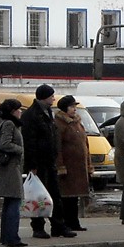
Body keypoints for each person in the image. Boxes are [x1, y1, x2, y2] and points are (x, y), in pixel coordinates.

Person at [21, 84, 75, 239]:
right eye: (51, 95)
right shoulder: (31, 115)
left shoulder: (48, 112)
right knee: (39, 196)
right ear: (44, 97)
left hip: (49, 161)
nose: (53, 98)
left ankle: (58, 225)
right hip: (38, 164)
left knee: (54, 195)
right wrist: (32, 165)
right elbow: (30, 142)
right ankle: (38, 227)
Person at [55, 94, 92, 232]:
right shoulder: (60, 124)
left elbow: (85, 144)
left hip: (79, 167)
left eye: (74, 106)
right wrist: (61, 166)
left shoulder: (77, 123)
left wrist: (88, 164)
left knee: (75, 197)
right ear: (65, 108)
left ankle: (74, 222)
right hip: (69, 167)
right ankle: (67, 222)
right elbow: (57, 147)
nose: (74, 109)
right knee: (67, 197)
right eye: (71, 106)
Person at [0, 98, 27, 247]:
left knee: (10, 202)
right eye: (18, 109)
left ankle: (6, 236)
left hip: (11, 167)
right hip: (10, 168)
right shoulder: (9, 124)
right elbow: (5, 144)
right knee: (14, 201)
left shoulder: (11, 124)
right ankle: (12, 237)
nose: (20, 111)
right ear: (12, 111)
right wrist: (20, 150)